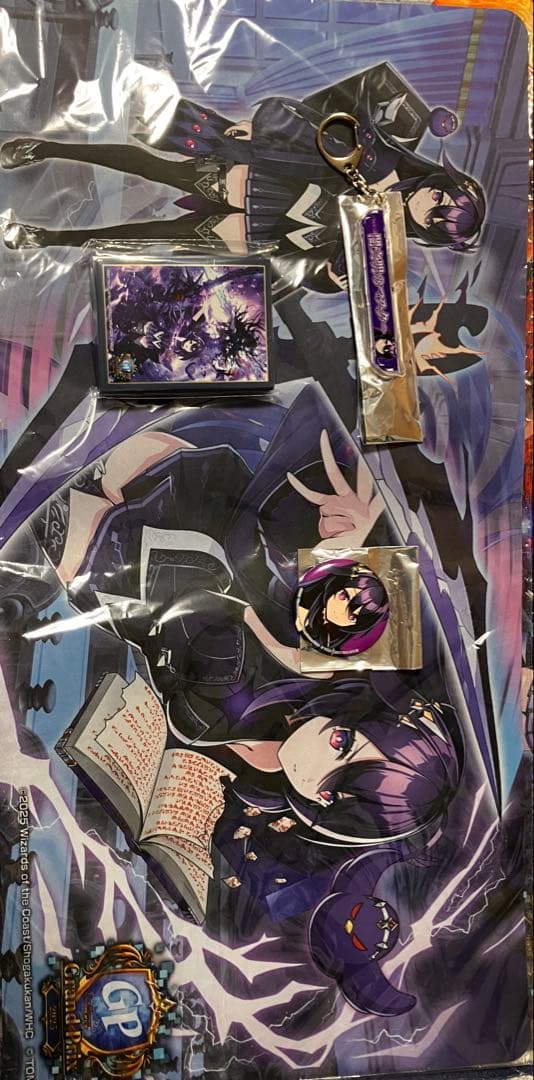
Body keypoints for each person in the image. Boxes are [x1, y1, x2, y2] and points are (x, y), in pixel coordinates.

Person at [0, 75, 485, 291]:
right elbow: (310, 128)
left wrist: (332, 277)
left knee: (143, 236)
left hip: (260, 234)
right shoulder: (380, 158)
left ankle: (46, 237)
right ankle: (46, 148)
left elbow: (321, 275)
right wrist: (265, 130)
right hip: (251, 180)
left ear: (429, 230)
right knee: (149, 164)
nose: (430, 202)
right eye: (440, 194)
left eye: (436, 215)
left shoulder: (385, 243)